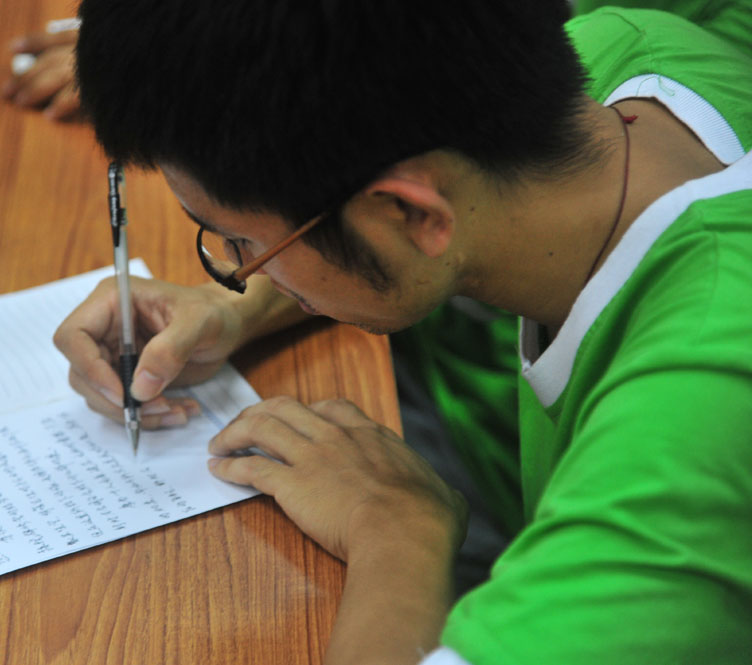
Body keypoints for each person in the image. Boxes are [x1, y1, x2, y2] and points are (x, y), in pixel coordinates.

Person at [53, 1, 752, 663]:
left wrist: (398, 528)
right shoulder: (622, 54)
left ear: (412, 214)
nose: (239, 271)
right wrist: (241, 306)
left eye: (242, 244)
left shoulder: (694, 422)